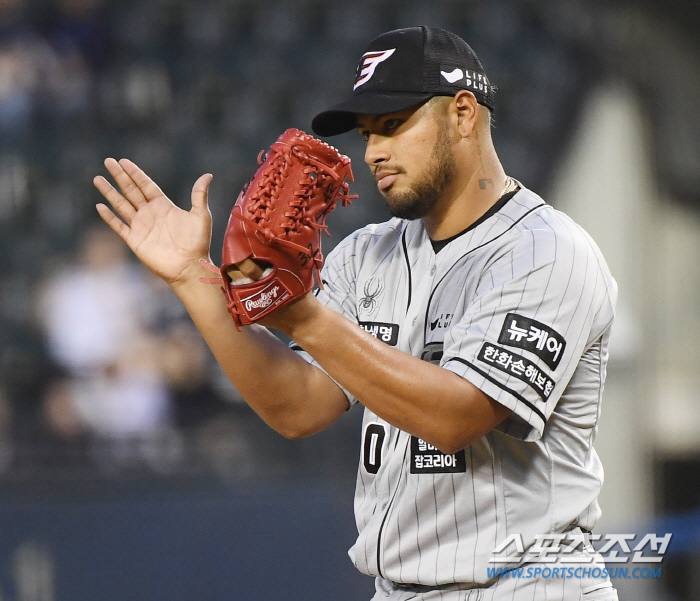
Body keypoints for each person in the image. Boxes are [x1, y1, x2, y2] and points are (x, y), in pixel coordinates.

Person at [94, 26, 619, 601]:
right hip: (397, 587)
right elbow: (296, 406)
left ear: (464, 114)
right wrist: (196, 279)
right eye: (368, 134)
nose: (374, 152)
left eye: (394, 125)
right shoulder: (367, 253)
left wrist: (301, 317)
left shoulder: (546, 252)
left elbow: (457, 418)